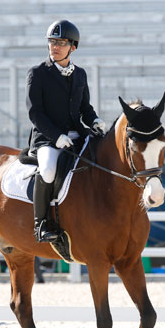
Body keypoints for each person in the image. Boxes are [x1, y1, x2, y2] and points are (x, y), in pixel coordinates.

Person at [26, 19, 105, 242]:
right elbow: (35, 113)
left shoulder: (80, 74)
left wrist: (95, 120)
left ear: (73, 47)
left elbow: (84, 108)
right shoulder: (38, 73)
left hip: (77, 135)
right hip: (47, 139)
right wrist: (56, 136)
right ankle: (40, 223)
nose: (55, 46)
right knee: (49, 169)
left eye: (60, 42)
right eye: (52, 42)